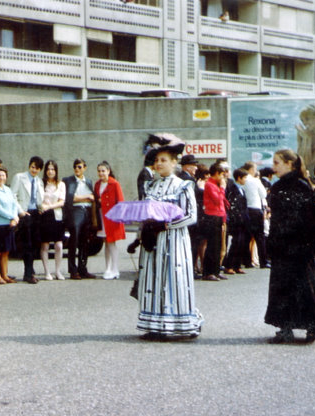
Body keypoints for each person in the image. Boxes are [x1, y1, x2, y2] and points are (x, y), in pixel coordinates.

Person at [135, 136, 203, 338]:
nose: (159, 164)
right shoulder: (151, 186)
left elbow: (191, 216)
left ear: (174, 162)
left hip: (174, 241)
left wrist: (167, 224)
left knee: (174, 279)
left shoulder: (183, 185)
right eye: (156, 160)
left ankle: (183, 324)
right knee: (153, 279)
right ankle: (156, 326)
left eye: (163, 160)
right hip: (155, 242)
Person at [264, 149, 315, 343]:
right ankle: (286, 327)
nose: (274, 167)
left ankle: (311, 325)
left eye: (277, 163)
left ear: (290, 164)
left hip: (298, 245)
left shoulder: (302, 185)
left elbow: (309, 217)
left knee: (303, 285)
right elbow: (275, 219)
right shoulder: (277, 187)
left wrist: (310, 244)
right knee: (282, 287)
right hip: (283, 245)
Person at [11, 156, 44, 284]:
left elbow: (39, 198)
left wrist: (41, 208)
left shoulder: (39, 181)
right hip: (25, 213)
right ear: (29, 166)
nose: (34, 170)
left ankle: (31, 269)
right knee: (27, 244)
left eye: (37, 168)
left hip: (36, 213)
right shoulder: (19, 177)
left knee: (36, 244)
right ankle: (28, 274)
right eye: (32, 167)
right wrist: (20, 211)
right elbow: (13, 195)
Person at [0, 164, 22, 284]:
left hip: (9, 225)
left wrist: (15, 217)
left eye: (3, 175)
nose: (1, 177)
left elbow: (13, 204)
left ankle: (5, 275)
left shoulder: (7, 189)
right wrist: (12, 216)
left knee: (6, 251)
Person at [63, 159, 96, 280]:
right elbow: (70, 198)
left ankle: (83, 269)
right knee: (74, 239)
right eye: (75, 167)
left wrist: (85, 198)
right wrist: (86, 197)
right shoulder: (68, 181)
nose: (77, 169)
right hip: (75, 211)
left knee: (85, 242)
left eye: (79, 167)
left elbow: (93, 198)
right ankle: (73, 270)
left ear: (84, 168)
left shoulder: (88, 181)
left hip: (87, 212)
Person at [94, 161, 125, 279]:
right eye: (99, 171)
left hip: (112, 217)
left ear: (108, 171)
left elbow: (120, 202)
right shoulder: (97, 184)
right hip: (102, 216)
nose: (101, 173)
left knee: (111, 243)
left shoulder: (114, 184)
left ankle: (115, 269)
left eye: (103, 171)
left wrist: (119, 217)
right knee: (106, 243)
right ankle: (107, 268)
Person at [201, 161, 229, 281]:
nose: (223, 178)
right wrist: (222, 188)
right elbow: (217, 200)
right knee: (212, 245)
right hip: (211, 216)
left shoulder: (216, 185)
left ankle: (216, 270)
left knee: (218, 246)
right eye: (222, 175)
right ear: (216, 173)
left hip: (219, 216)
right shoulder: (209, 185)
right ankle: (208, 272)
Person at [39, 160, 66, 280]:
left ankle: (58, 271)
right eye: (48, 169)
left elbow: (62, 201)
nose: (50, 172)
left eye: (53, 169)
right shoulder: (41, 183)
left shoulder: (61, 184)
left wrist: (49, 206)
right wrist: (41, 206)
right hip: (44, 216)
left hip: (56, 215)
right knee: (45, 245)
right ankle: (47, 272)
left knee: (59, 245)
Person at [223, 167, 249, 274]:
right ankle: (229, 265)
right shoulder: (232, 189)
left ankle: (237, 265)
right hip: (236, 220)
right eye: (245, 178)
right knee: (235, 243)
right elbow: (232, 205)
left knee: (242, 243)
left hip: (243, 219)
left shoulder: (242, 189)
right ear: (239, 178)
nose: (246, 180)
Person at [242, 162, 268, 268]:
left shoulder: (242, 181)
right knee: (259, 237)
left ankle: (247, 261)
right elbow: (263, 194)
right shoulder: (255, 181)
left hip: (246, 209)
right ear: (251, 169)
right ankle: (263, 261)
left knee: (247, 237)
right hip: (256, 209)